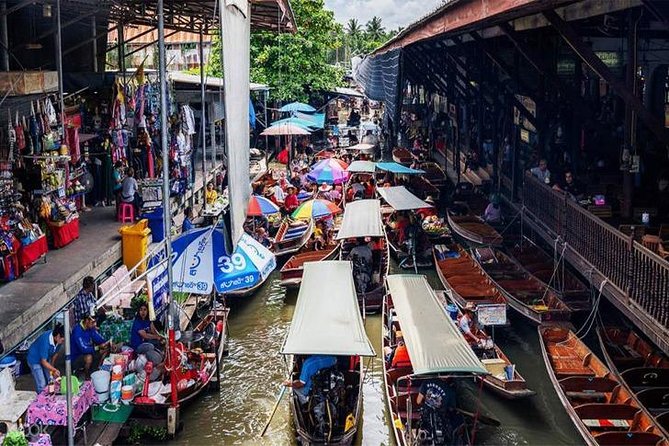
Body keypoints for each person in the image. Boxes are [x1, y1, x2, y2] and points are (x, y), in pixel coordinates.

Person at [417, 378, 459, 442]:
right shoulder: (450, 391)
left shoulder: (426, 381)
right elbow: (451, 409)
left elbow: (418, 401)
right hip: (440, 418)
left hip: (425, 416)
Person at [70, 314, 113, 379]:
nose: (95, 324)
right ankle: (87, 376)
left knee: (107, 348)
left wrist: (108, 343)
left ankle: (98, 369)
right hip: (76, 357)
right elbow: (83, 349)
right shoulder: (77, 331)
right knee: (89, 357)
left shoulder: (90, 328)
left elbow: (99, 339)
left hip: (89, 351)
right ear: (87, 321)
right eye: (93, 322)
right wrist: (98, 347)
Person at [27, 324, 65, 393]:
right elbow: (43, 361)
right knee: (42, 383)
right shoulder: (45, 341)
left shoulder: (58, 341)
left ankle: (51, 395)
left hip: (45, 358)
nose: (63, 342)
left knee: (51, 379)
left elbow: (55, 354)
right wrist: (54, 369)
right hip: (34, 360)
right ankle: (42, 400)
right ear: (58, 336)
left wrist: (52, 369)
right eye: (63, 340)